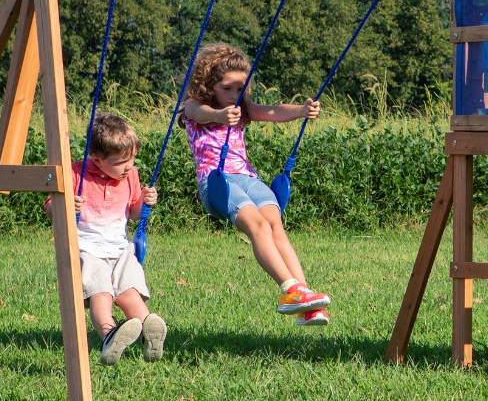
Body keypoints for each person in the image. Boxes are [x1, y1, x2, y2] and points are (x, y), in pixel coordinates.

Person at [180, 43, 330, 326]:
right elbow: (199, 113)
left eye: (240, 89)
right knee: (257, 225)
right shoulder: (193, 106)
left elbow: (272, 111)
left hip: (249, 178)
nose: (234, 95)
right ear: (210, 83)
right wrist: (219, 116)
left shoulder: (242, 108)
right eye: (227, 88)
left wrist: (302, 110)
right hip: (217, 183)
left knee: (274, 224)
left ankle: (307, 300)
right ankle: (289, 289)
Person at [44, 112, 167, 365]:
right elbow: (50, 209)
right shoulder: (76, 173)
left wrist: (144, 202)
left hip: (120, 248)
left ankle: (149, 331)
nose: (130, 166)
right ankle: (109, 335)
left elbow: (132, 213)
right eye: (122, 161)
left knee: (130, 292)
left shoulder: (130, 176)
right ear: (97, 160)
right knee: (101, 294)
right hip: (87, 248)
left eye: (132, 158)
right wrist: (66, 205)